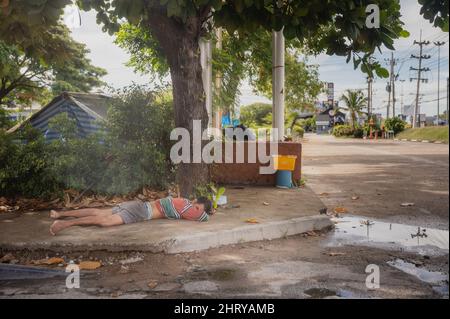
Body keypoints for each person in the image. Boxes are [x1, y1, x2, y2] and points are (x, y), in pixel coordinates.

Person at [49, 196, 213, 235]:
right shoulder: (186, 206)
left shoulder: (182, 203)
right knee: (105, 221)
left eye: (199, 209)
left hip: (138, 205)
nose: (197, 211)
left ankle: (60, 214)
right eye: (198, 207)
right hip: (141, 211)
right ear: (194, 202)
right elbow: (203, 218)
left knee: (98, 212)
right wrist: (208, 212)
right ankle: (64, 224)